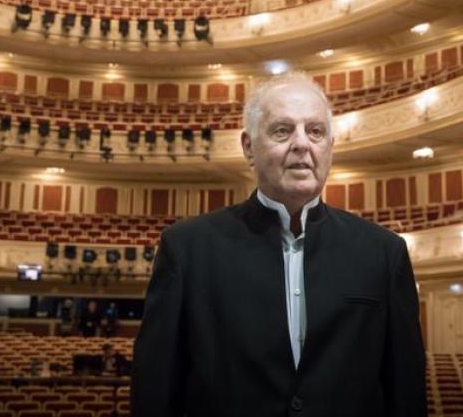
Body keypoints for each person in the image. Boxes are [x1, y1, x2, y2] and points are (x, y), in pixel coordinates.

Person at [131, 72, 426, 417]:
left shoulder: (384, 253)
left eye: (315, 131)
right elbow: (155, 391)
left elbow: (405, 392)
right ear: (248, 147)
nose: (302, 144)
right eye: (282, 130)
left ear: (330, 147)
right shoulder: (187, 249)